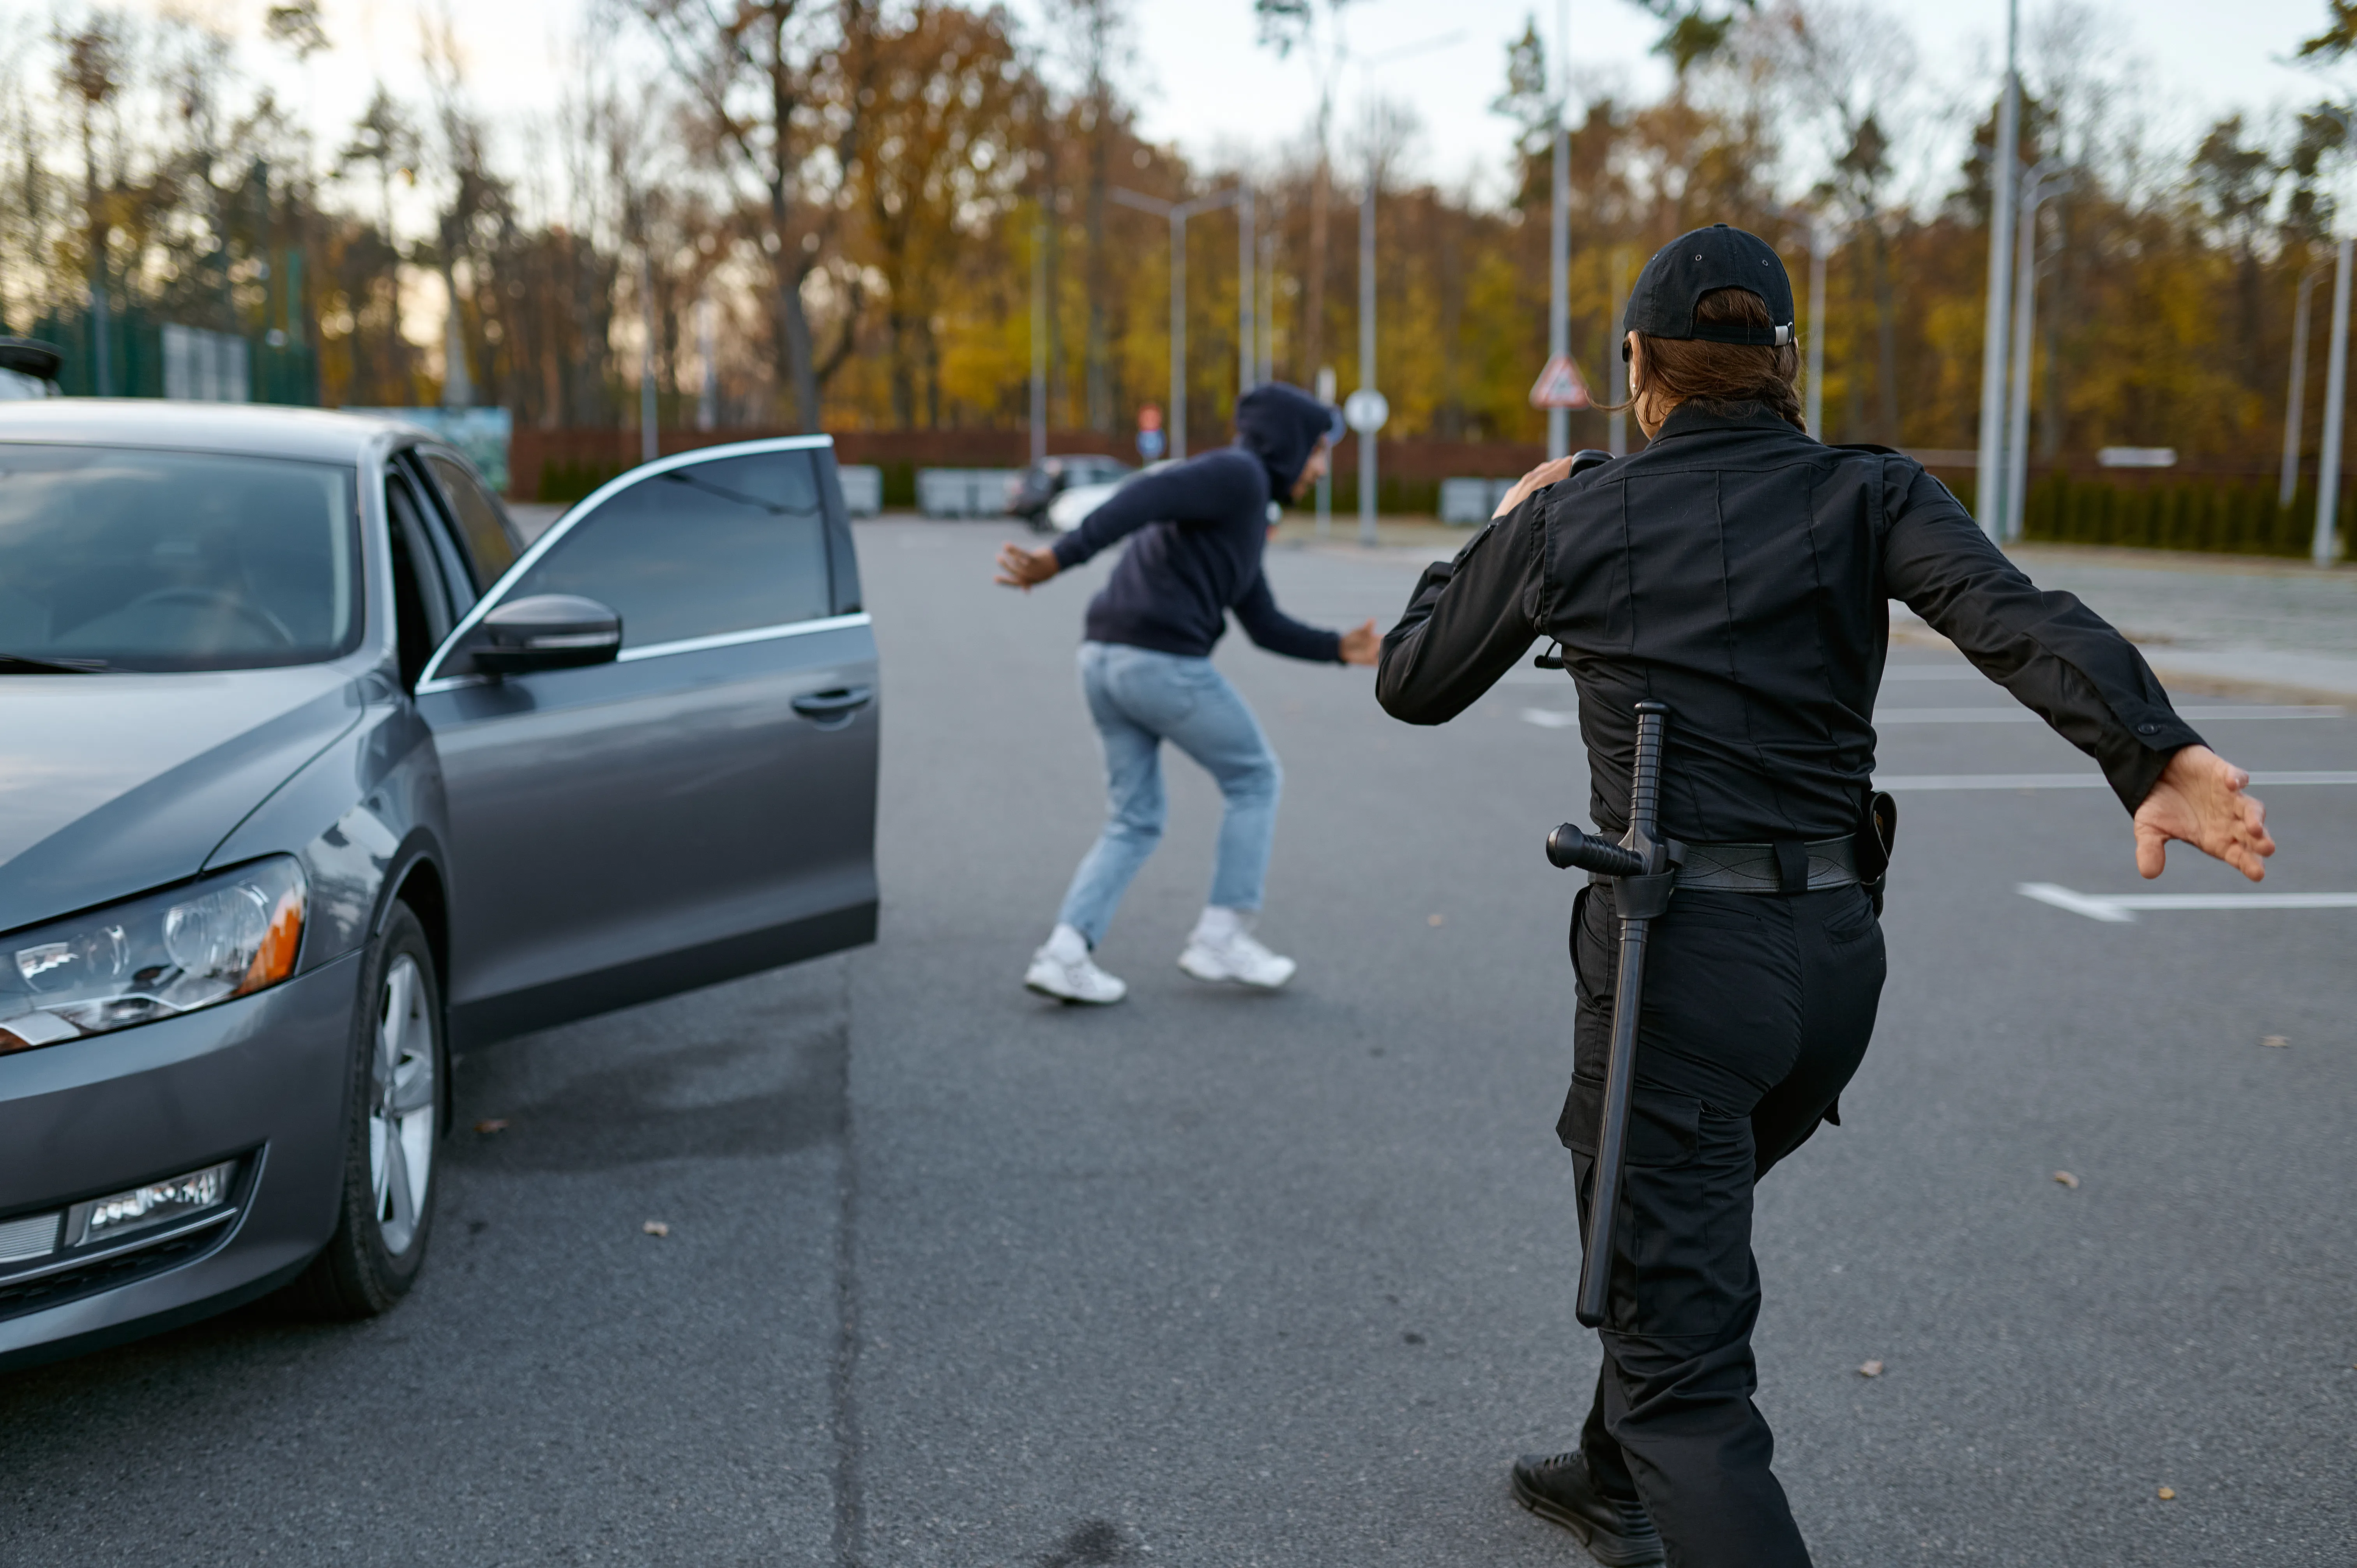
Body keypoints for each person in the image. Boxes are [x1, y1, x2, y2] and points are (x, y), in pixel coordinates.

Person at [1373, 224, 2275, 1568]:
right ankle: (1608, 1473)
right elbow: (2009, 612)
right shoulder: (1870, 490)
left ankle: (1648, 1460)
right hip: (1831, 972)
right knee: (1662, 1241)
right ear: (1781, 365)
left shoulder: (1573, 513)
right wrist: (2150, 753)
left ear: (1637, 367)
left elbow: (1412, 679)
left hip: (1675, 973)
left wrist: (1497, 532)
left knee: (1676, 1342)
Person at [996, 382, 1382, 1005]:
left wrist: (1339, 648)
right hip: (1157, 661)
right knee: (1255, 779)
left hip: (1103, 659)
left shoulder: (1241, 510)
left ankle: (1065, 952)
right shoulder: (1240, 475)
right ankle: (1221, 935)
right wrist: (1060, 558)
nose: (1318, 468)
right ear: (1287, 445)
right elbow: (1145, 493)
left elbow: (1261, 621)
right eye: (1315, 451)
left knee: (1135, 818)